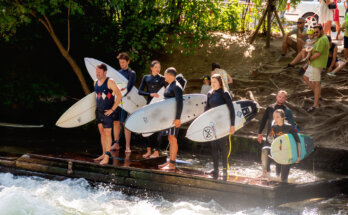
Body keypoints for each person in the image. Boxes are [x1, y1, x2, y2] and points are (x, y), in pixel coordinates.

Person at [257, 90, 296, 178]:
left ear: (285, 99)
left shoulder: (287, 110)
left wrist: (290, 136)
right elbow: (263, 121)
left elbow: (292, 125)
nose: (281, 99)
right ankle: (266, 172)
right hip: (270, 135)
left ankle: (278, 175)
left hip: (281, 137)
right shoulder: (270, 108)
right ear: (276, 97)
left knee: (278, 155)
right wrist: (259, 133)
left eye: (283, 97)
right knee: (266, 152)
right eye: (279, 97)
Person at [206, 74, 235, 180]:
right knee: (214, 148)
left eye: (215, 82)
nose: (212, 84)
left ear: (220, 82)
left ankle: (224, 170)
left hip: (223, 124)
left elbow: (231, 109)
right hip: (213, 124)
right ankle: (215, 169)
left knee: (223, 147)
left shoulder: (225, 93)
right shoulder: (210, 93)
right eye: (212, 82)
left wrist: (232, 125)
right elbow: (207, 109)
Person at [93, 64, 122, 165]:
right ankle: (103, 153)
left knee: (107, 133)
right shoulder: (95, 82)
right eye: (96, 72)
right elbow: (97, 96)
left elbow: (119, 95)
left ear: (105, 72)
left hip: (108, 112)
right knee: (102, 133)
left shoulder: (110, 81)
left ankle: (107, 156)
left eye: (99, 72)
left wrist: (112, 109)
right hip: (99, 111)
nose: (97, 74)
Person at [138, 60, 167, 158]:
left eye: (159, 67)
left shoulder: (163, 78)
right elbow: (140, 91)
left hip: (159, 106)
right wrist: (150, 94)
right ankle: (149, 150)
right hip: (149, 105)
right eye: (156, 67)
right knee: (148, 127)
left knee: (158, 129)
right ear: (151, 68)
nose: (158, 69)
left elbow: (168, 91)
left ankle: (156, 151)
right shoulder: (146, 78)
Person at [158, 67, 183, 170]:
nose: (164, 76)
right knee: (170, 138)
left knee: (172, 139)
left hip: (173, 117)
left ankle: (172, 164)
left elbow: (180, 103)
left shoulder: (177, 87)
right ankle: (170, 161)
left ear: (170, 75)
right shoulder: (170, 85)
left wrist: (177, 118)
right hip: (168, 117)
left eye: (165, 74)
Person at [111, 52, 136, 153]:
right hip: (117, 101)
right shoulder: (117, 72)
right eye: (120, 62)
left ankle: (127, 146)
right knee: (116, 122)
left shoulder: (132, 73)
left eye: (123, 62)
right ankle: (116, 143)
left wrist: (122, 95)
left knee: (126, 123)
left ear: (128, 62)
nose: (121, 64)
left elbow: (129, 87)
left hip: (127, 101)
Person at [268, 109, 301, 182]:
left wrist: (298, 156)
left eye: (277, 117)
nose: (275, 119)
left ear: (283, 117)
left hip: (287, 154)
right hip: (278, 153)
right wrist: (273, 143)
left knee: (283, 179)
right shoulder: (274, 127)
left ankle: (284, 191)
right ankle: (265, 172)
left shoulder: (289, 127)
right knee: (277, 176)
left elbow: (298, 141)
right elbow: (269, 138)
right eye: (274, 117)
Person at [303, 25, 329, 113]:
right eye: (314, 32)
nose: (315, 34)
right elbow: (314, 48)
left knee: (316, 84)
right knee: (305, 78)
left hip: (317, 64)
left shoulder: (322, 39)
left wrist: (309, 59)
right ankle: (317, 95)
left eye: (317, 32)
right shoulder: (319, 38)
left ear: (322, 30)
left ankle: (316, 105)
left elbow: (318, 54)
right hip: (313, 63)